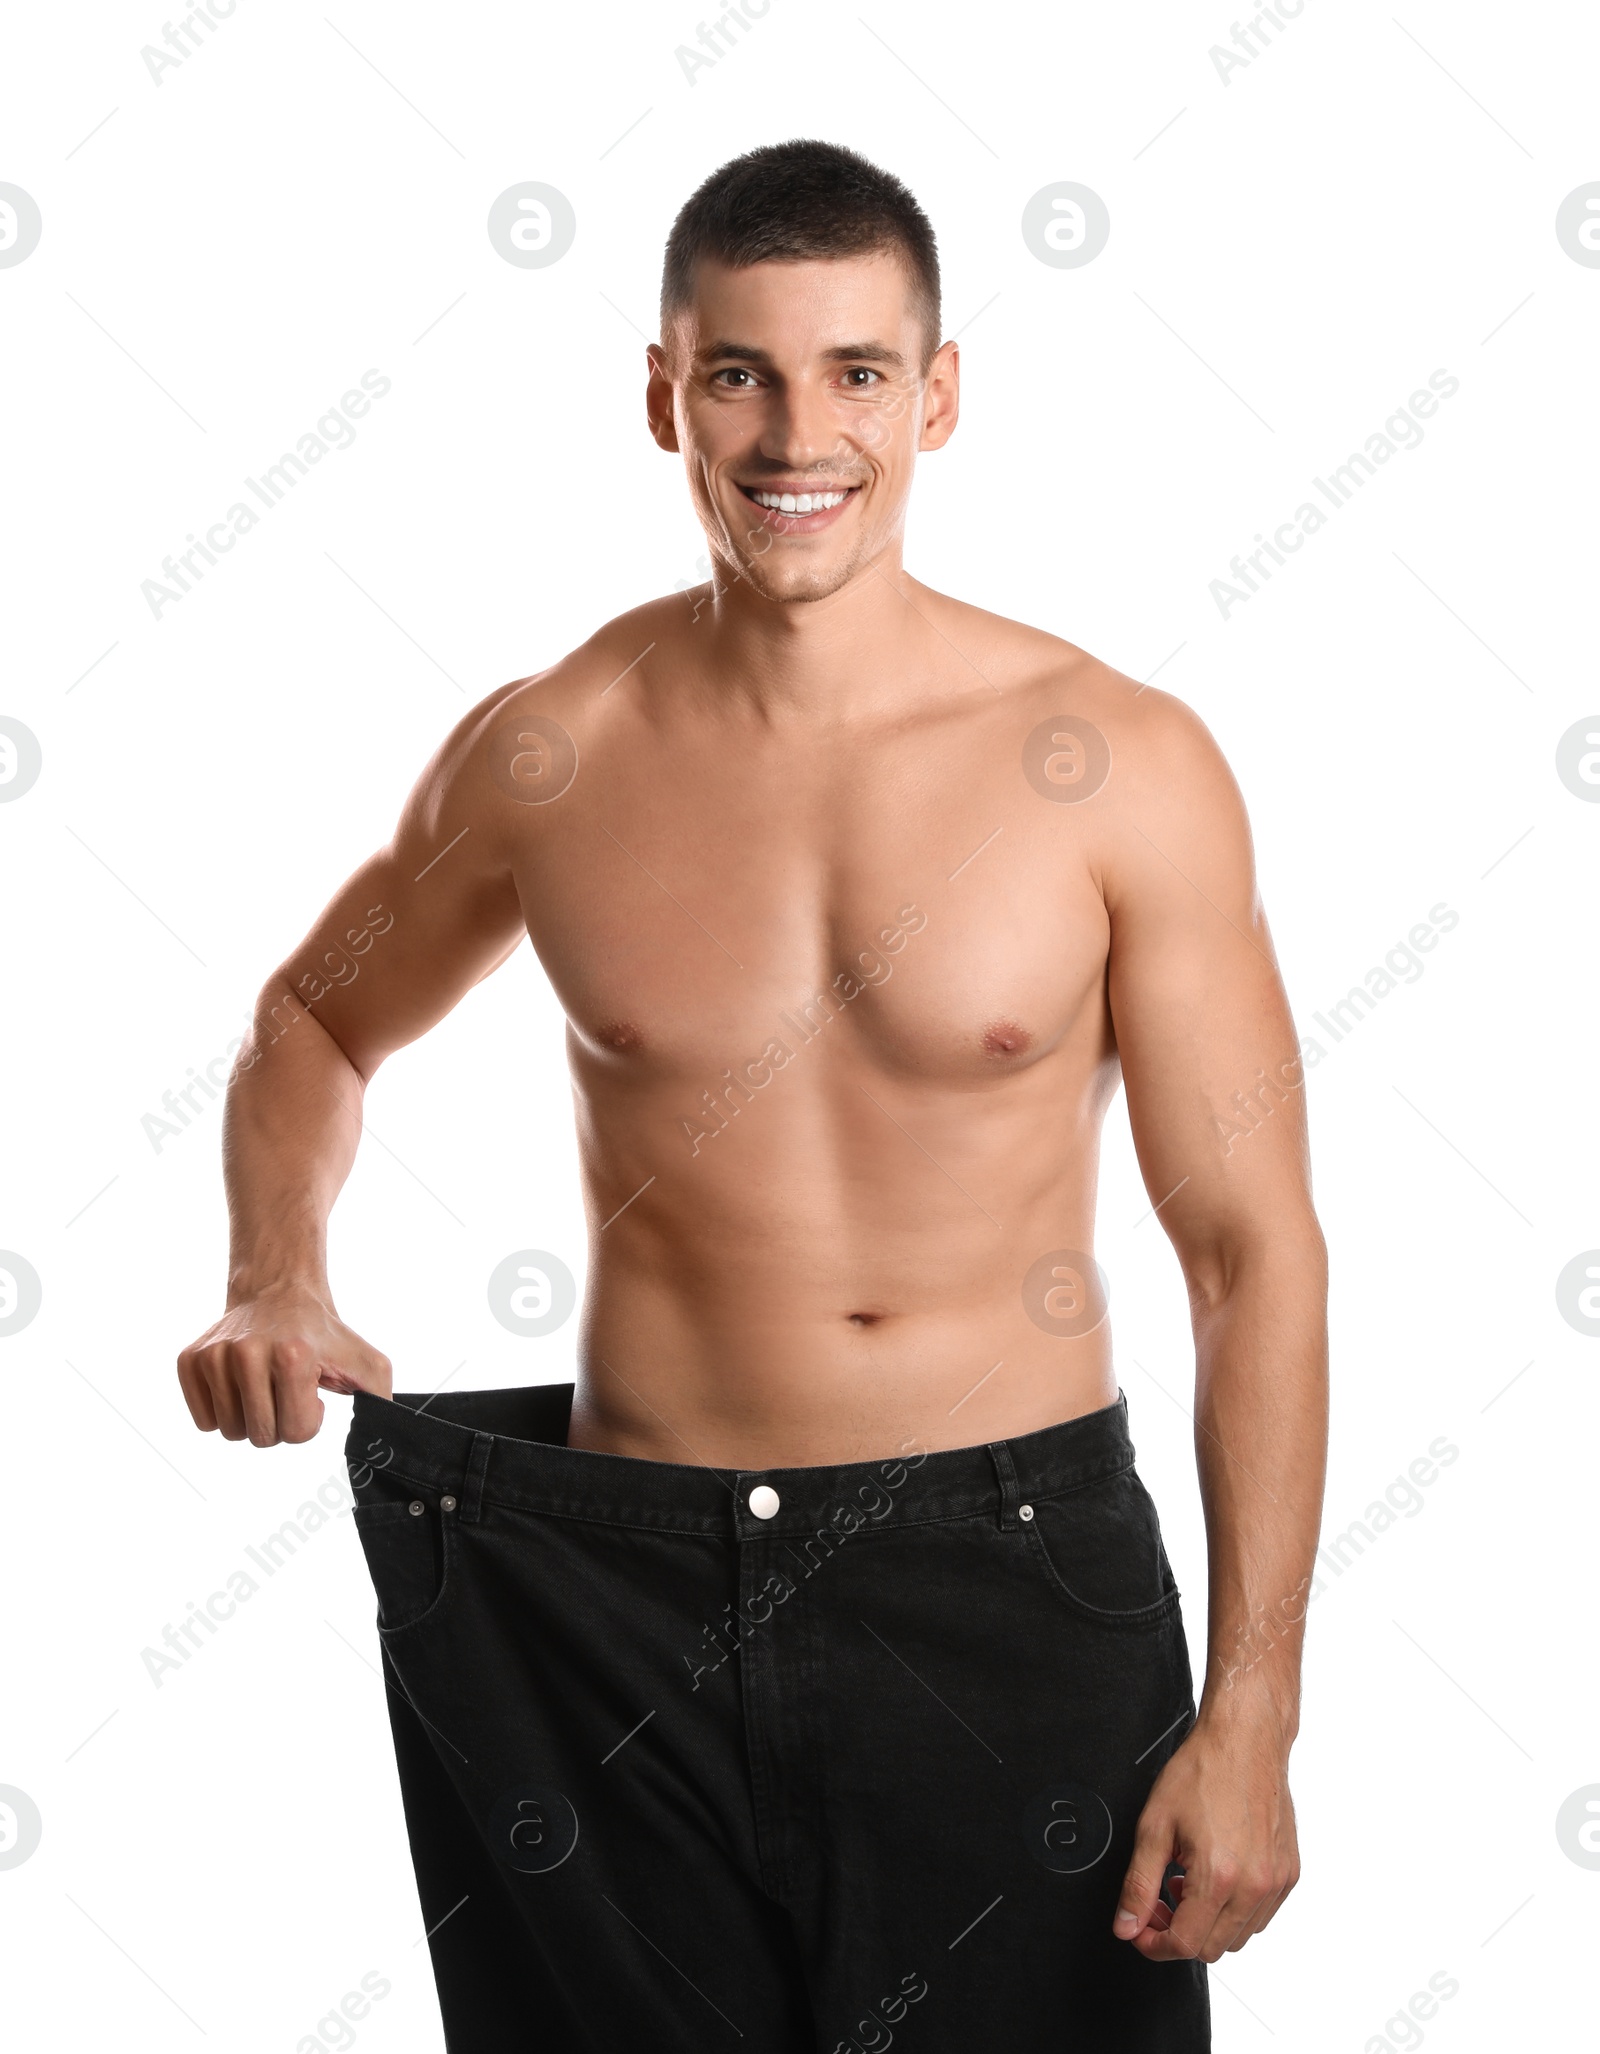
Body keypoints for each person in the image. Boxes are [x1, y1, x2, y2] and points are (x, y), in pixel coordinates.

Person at [177, 138, 1328, 2051]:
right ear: (663, 395)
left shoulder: (1114, 763)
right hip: (609, 1599)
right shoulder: (554, 749)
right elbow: (312, 1017)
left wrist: (1257, 1711)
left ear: (938, 394)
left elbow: (1252, 1252)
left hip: (1010, 1586)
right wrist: (274, 1267)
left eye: (860, 371)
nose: (803, 432)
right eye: (743, 373)